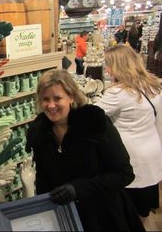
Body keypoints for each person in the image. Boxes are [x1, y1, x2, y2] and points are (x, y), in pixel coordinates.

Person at [26, 69, 145, 231]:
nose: (51, 105)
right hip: (65, 217)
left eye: (57, 98)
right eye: (45, 99)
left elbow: (124, 174)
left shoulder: (94, 124)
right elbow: (44, 180)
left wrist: (78, 188)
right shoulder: (39, 132)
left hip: (104, 215)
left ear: (71, 97)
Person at [95, 45, 162, 224]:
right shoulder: (154, 85)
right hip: (153, 155)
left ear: (118, 66)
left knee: (126, 213)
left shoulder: (118, 93)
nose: (107, 70)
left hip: (131, 159)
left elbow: (92, 115)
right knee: (143, 211)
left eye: (108, 65)